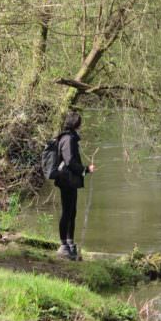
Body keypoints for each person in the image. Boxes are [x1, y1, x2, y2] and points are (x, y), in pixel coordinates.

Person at [55, 111, 95, 260]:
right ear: (75, 124)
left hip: (70, 180)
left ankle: (70, 244)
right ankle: (63, 246)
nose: (81, 126)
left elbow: (71, 161)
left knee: (72, 212)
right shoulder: (68, 139)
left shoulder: (70, 138)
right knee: (67, 212)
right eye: (79, 123)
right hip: (66, 180)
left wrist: (84, 171)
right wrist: (85, 170)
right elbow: (70, 161)